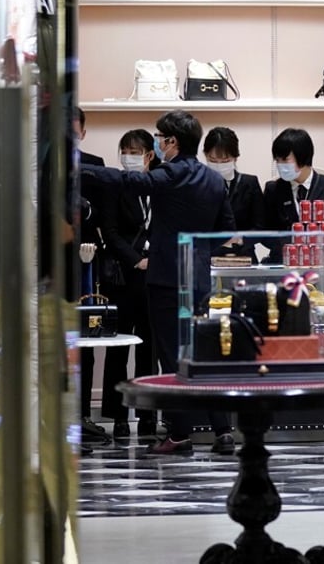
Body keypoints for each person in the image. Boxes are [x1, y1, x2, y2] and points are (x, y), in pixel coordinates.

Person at [83, 110, 237, 455]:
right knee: (203, 354)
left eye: (159, 137)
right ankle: (223, 430)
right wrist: (197, 251)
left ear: (171, 142)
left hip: (167, 280)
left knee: (172, 358)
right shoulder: (213, 179)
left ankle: (180, 435)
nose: (157, 143)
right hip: (198, 279)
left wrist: (81, 169)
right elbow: (227, 229)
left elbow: (126, 181)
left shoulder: (171, 173)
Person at [98, 129, 159, 441]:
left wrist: (155, 258)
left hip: (154, 279)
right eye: (125, 150)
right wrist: (136, 259)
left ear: (150, 155)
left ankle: (149, 417)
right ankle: (119, 416)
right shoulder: (115, 184)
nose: (129, 156)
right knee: (118, 349)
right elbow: (109, 231)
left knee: (150, 350)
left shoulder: (161, 184)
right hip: (122, 277)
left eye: (136, 151)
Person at [73, 108, 110, 442]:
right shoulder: (40, 165)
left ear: (83, 131)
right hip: (51, 261)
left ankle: (84, 414)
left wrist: (86, 210)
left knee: (87, 335)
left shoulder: (95, 164)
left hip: (88, 257)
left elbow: (104, 211)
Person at [263, 127, 324, 262]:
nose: (280, 165)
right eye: (277, 161)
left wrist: (321, 240)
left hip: (323, 264)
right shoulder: (274, 189)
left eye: (285, 160)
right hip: (285, 264)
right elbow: (265, 232)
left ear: (303, 157)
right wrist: (292, 241)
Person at [203, 126, 265, 262]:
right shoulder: (198, 186)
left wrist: (240, 238)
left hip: (244, 257)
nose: (219, 165)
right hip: (208, 258)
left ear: (235, 158)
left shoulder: (249, 183)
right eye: (213, 160)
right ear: (205, 155)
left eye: (225, 161)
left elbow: (261, 227)